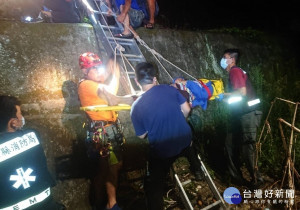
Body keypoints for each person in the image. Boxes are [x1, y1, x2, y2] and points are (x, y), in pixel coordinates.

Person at [130, 62, 202, 210]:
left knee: (153, 184)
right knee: (189, 140)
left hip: (163, 151)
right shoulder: (169, 89)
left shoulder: (136, 107)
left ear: (137, 81)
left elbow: (142, 136)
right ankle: (198, 169)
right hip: (184, 140)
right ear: (155, 78)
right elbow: (187, 110)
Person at [78, 52, 134, 210]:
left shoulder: (91, 84)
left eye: (99, 68)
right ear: (85, 71)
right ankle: (111, 204)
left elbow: (110, 94)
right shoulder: (87, 85)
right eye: (94, 68)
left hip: (105, 130)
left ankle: (98, 203)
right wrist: (115, 73)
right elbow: (112, 96)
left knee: (104, 169)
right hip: (104, 132)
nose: (98, 71)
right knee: (113, 167)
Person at [0, 95, 64, 210]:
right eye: (20, 114)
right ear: (13, 123)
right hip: (47, 205)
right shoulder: (32, 135)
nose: (22, 117)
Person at [220, 49, 264, 187]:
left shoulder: (235, 71)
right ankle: (236, 178)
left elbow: (241, 92)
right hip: (240, 114)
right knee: (229, 144)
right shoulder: (236, 72)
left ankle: (257, 180)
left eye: (224, 57)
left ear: (232, 60)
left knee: (248, 148)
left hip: (249, 114)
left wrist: (223, 95)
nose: (222, 60)